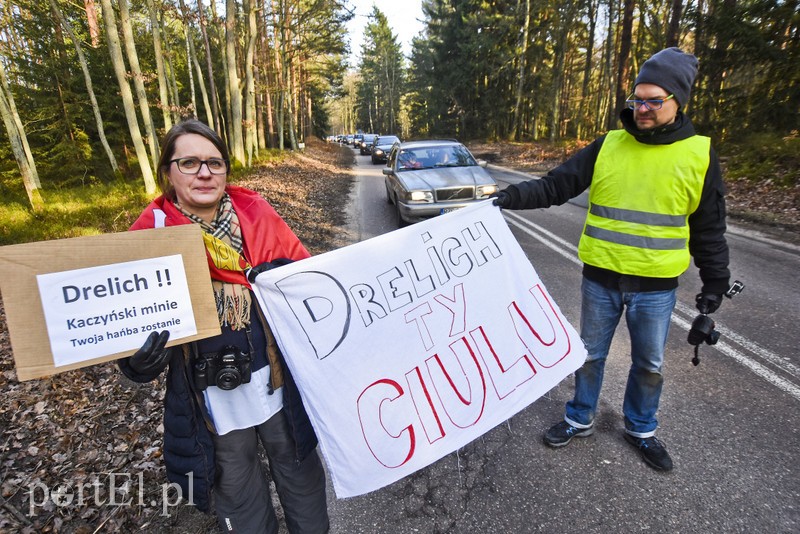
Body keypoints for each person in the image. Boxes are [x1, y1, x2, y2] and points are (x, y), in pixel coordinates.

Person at [492, 48, 730, 472]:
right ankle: (579, 418)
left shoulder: (699, 154)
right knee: (588, 355)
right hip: (600, 280)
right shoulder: (609, 145)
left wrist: (714, 284)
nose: (641, 108)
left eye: (654, 101)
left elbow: (709, 228)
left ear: (678, 101)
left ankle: (641, 429)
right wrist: (508, 197)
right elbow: (556, 186)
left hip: (656, 288)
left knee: (649, 364)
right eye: (637, 98)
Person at [119, 119, 329, 532]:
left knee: (300, 472)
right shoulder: (148, 240)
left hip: (278, 384)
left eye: (214, 163)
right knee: (237, 487)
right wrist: (138, 362)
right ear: (168, 173)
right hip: (212, 401)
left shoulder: (258, 215)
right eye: (190, 162)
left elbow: (312, 287)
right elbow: (124, 330)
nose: (204, 173)